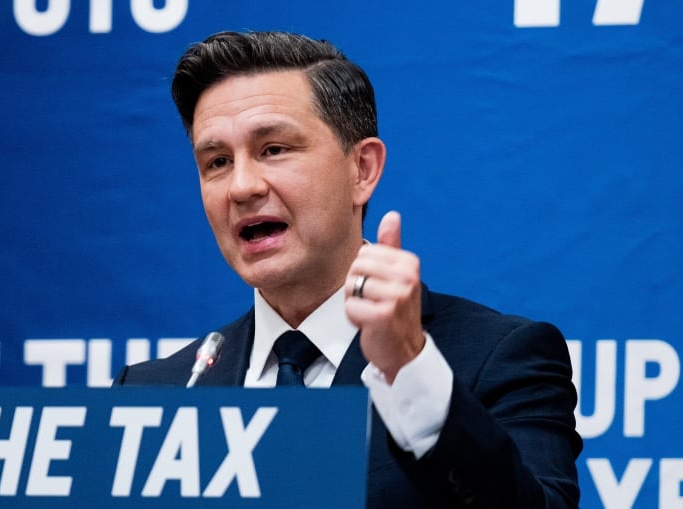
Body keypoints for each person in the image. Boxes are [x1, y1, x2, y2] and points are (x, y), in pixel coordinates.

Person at [114, 31, 582, 508]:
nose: (241, 186)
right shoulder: (156, 393)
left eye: (273, 149)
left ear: (362, 169)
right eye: (216, 161)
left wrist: (406, 368)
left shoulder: (497, 360)